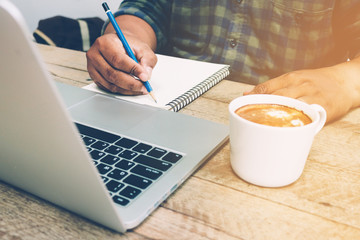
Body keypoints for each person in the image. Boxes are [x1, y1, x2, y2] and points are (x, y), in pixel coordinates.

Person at [86, 0, 360, 124]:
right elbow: (147, 7)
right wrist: (128, 38)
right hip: (164, 115)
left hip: (292, 128)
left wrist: (343, 82)